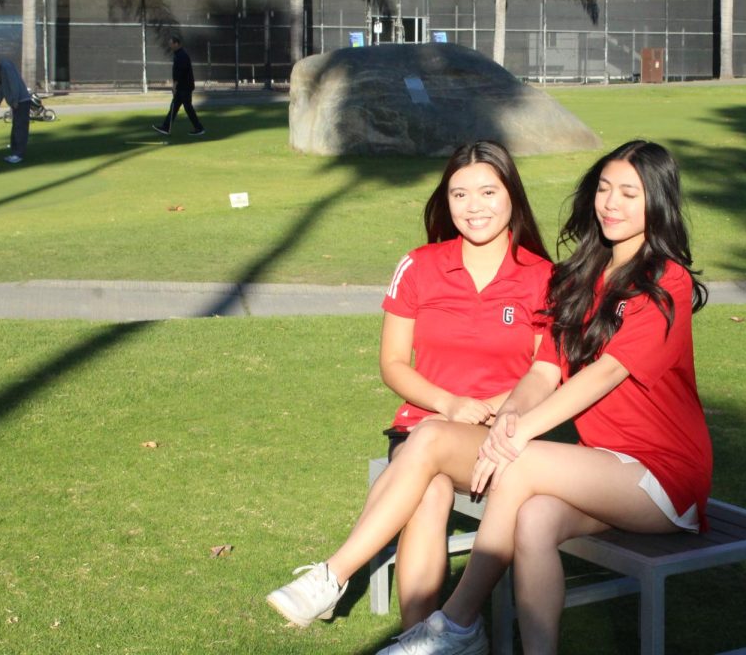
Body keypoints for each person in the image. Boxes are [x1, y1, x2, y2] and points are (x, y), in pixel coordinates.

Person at [377, 140, 710, 655]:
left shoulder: (668, 281)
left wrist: (516, 439)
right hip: (599, 465)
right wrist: (510, 419)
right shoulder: (581, 279)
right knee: (533, 521)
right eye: (603, 189)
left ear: (658, 203)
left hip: (661, 474)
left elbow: (603, 375)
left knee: (520, 466)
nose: (611, 204)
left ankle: (457, 622)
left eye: (629, 193)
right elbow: (544, 369)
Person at [266, 140, 552, 631]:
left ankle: (334, 575)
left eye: (487, 191)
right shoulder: (418, 266)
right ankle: (420, 637)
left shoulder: (545, 278)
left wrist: (484, 408)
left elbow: (546, 373)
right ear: (446, 201)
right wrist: (448, 403)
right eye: (459, 195)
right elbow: (393, 364)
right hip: (424, 427)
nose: (473, 207)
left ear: (512, 196)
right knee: (430, 489)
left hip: (504, 439)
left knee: (433, 440)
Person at [0, 55, 32, 165]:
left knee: (20, 129)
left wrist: (15, 101)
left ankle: (19, 155)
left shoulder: (6, 66)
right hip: (16, 103)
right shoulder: (1, 79)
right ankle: (15, 153)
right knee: (15, 129)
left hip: (21, 101)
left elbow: (14, 84)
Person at [152, 35, 205, 137]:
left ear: (176, 44)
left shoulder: (182, 55)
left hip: (185, 87)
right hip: (182, 87)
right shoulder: (178, 54)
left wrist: (174, 85)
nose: (170, 46)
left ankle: (199, 128)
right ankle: (166, 127)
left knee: (187, 108)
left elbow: (180, 72)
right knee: (174, 107)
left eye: (171, 44)